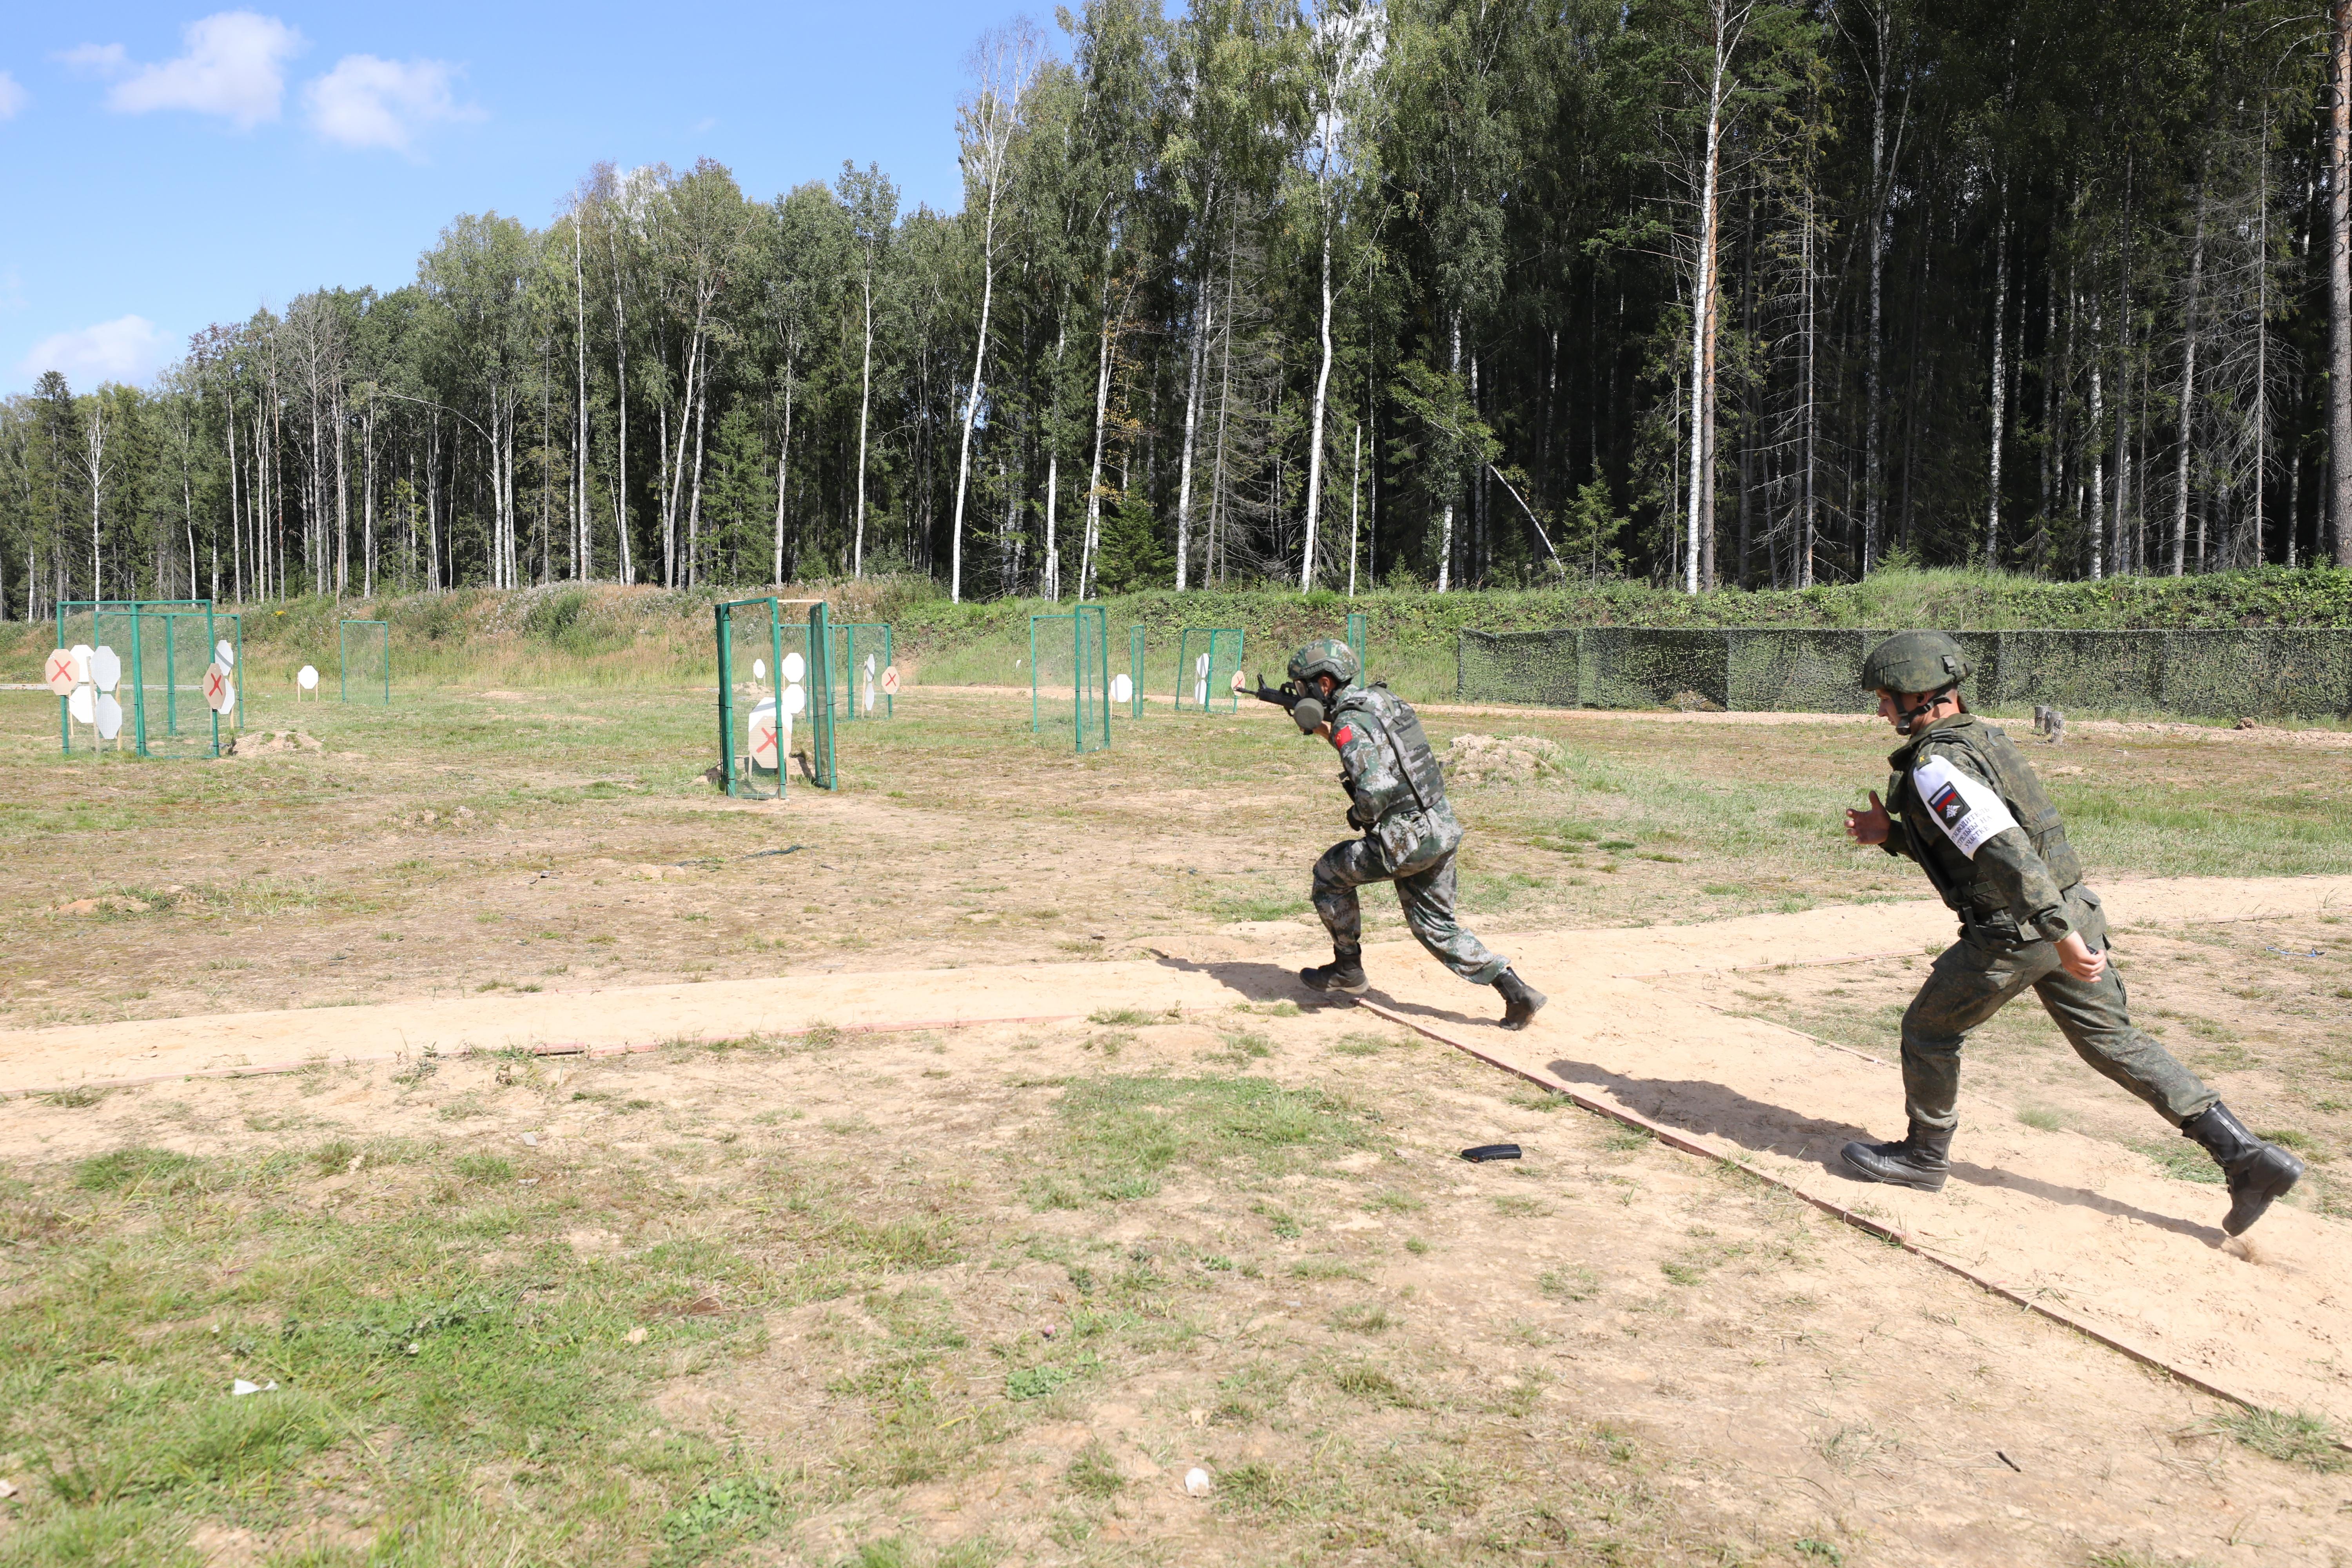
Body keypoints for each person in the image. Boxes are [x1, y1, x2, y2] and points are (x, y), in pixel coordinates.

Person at [1840, 630, 2304, 1235]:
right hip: (2071, 911)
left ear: (1920, 695)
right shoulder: (1982, 740)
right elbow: (1984, 842)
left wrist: (2056, 934)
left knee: (1928, 1031)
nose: (1881, 711)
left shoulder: (1936, 766)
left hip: (2021, 931)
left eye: (1885, 698)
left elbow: (2006, 853)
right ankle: (2247, 1158)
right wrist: (1893, 836)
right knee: (2113, 1042)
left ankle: (1924, 1158)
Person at [1279, 639, 1546, 1029]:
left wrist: (1359, 813)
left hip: (1406, 841)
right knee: (1436, 926)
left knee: (1329, 875)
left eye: (1304, 686)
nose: (1302, 693)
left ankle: (1347, 969)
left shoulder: (1349, 723)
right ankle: (1515, 990)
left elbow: (1376, 787)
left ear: (1324, 684)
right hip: (1440, 826)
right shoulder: (1382, 701)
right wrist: (1324, 729)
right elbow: (1381, 750)